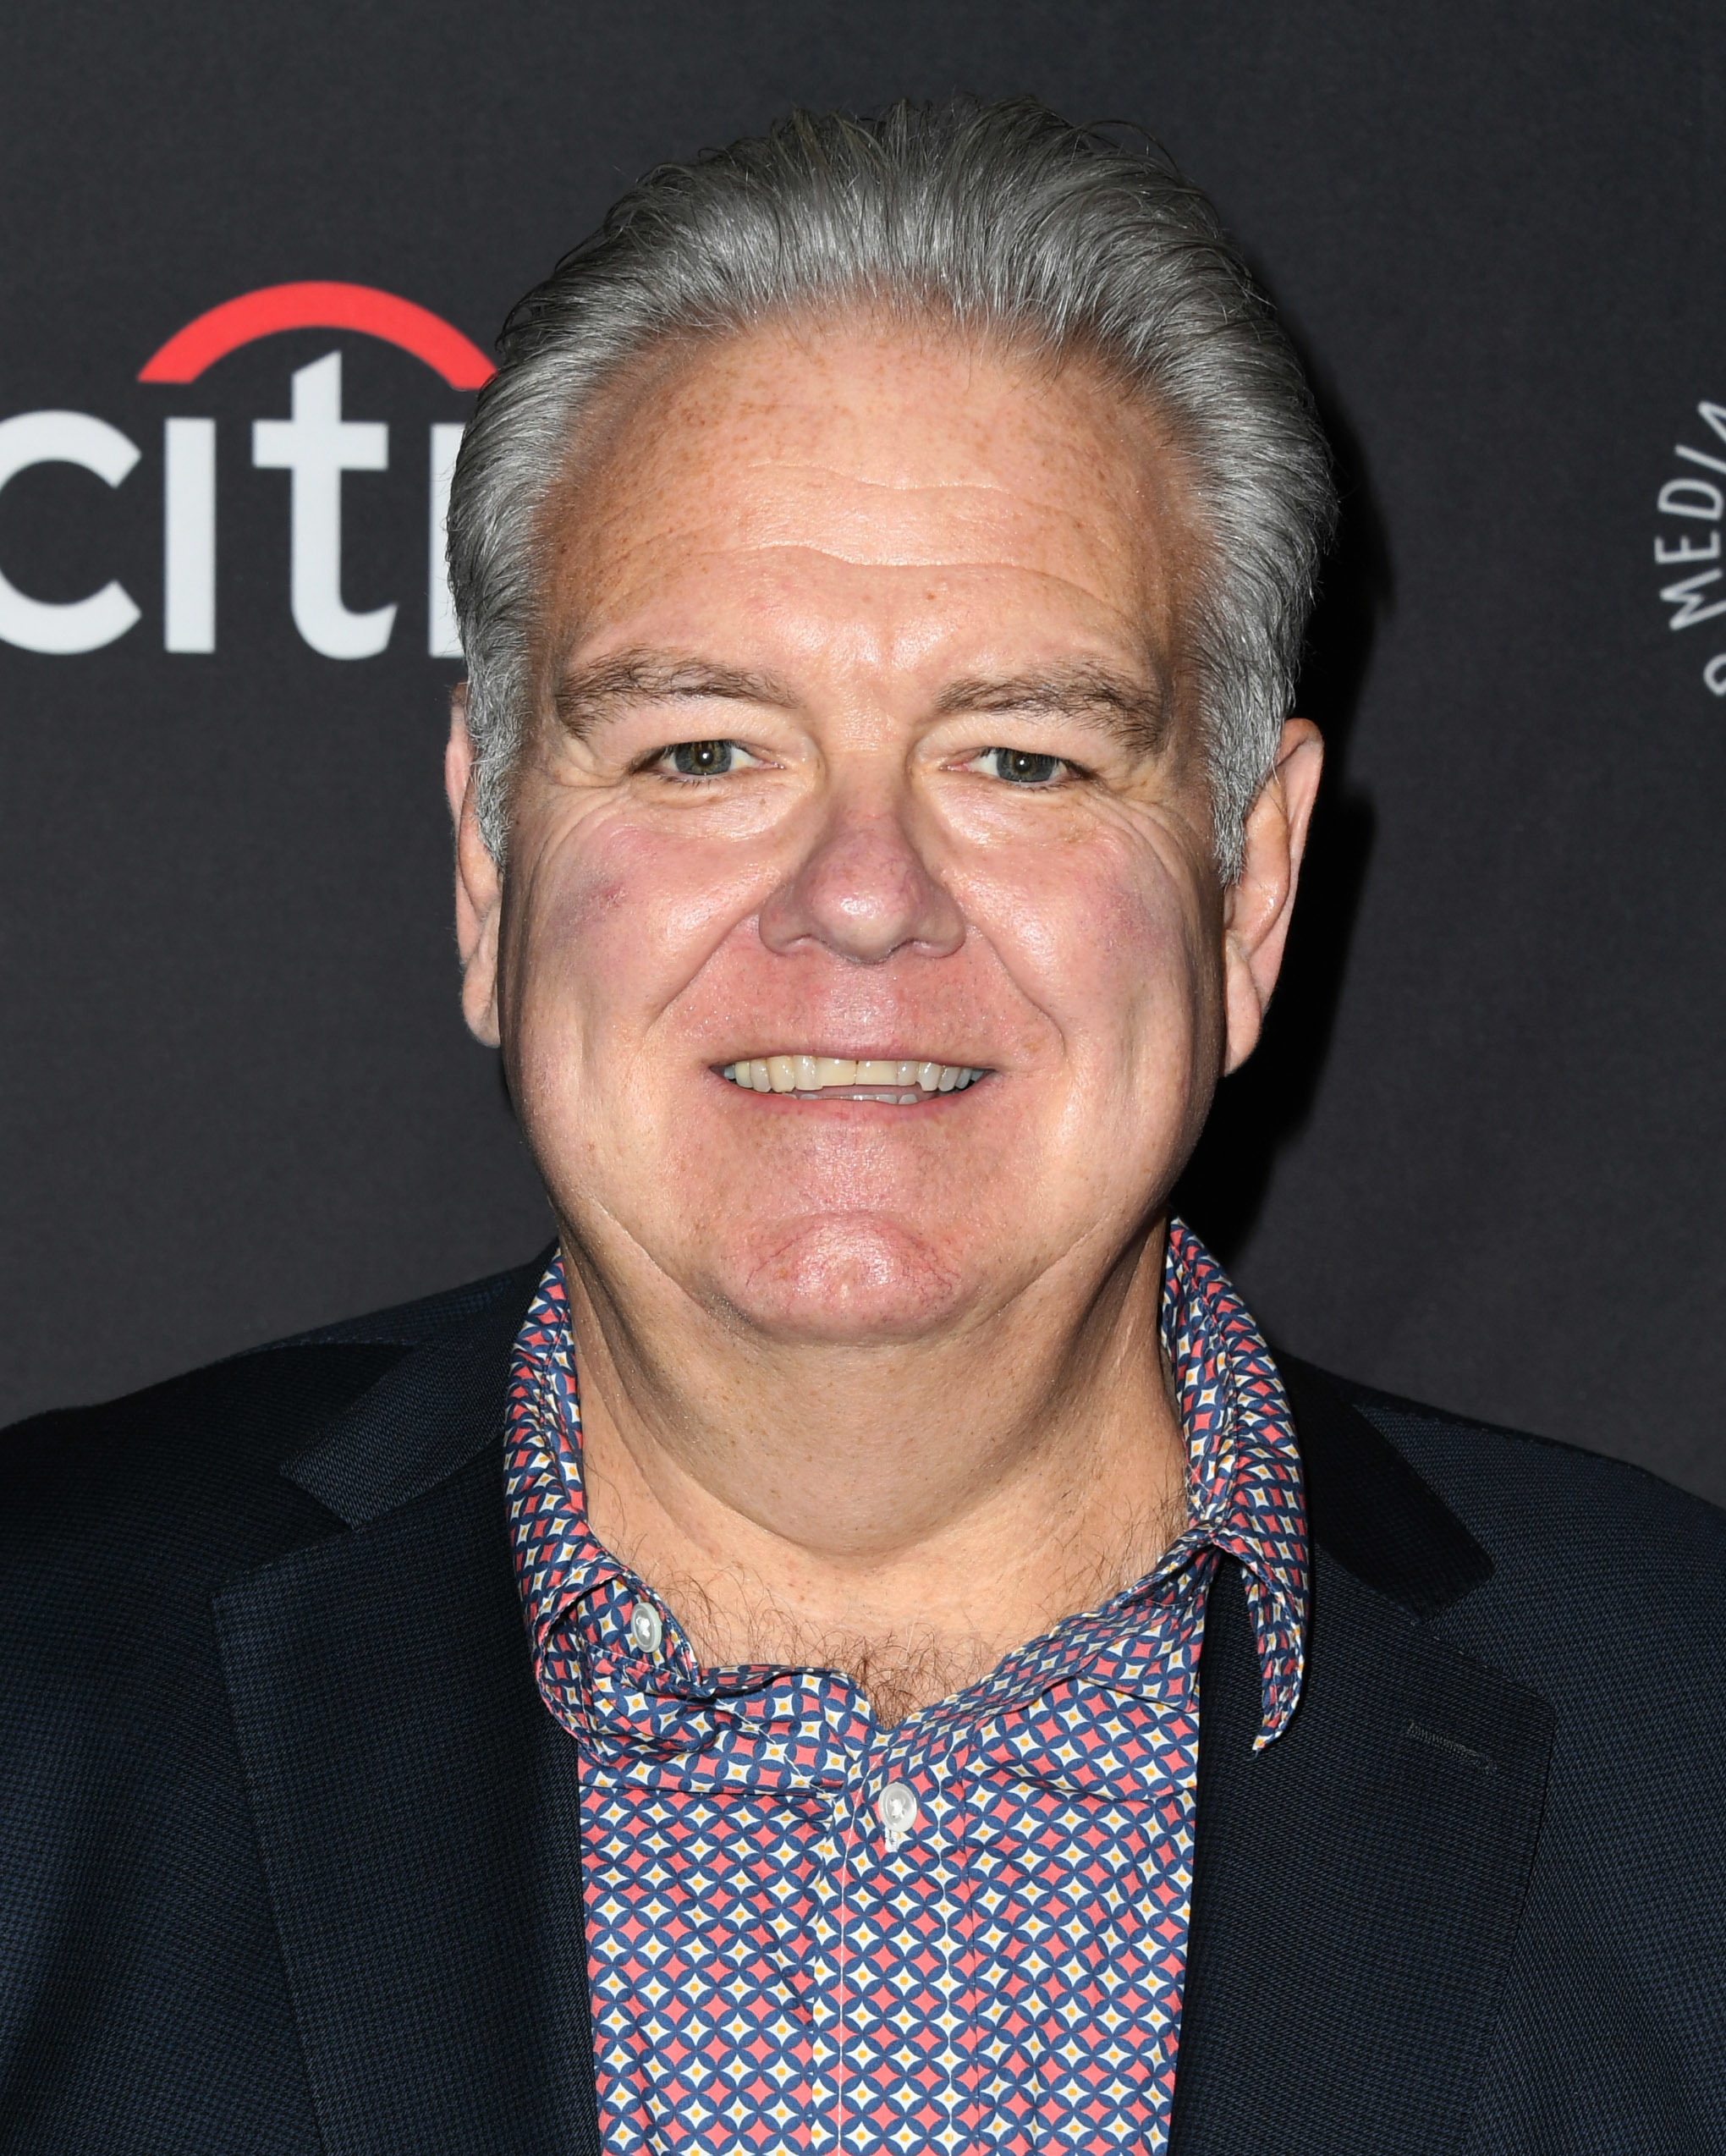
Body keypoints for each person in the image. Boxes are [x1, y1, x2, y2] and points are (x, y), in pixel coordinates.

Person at [3, 97, 1722, 2156]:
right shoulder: (33, 1687)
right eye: (705, 745)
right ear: (487, 859)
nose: (860, 893)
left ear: (1248, 886)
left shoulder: (1689, 1750)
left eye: (1020, 754)